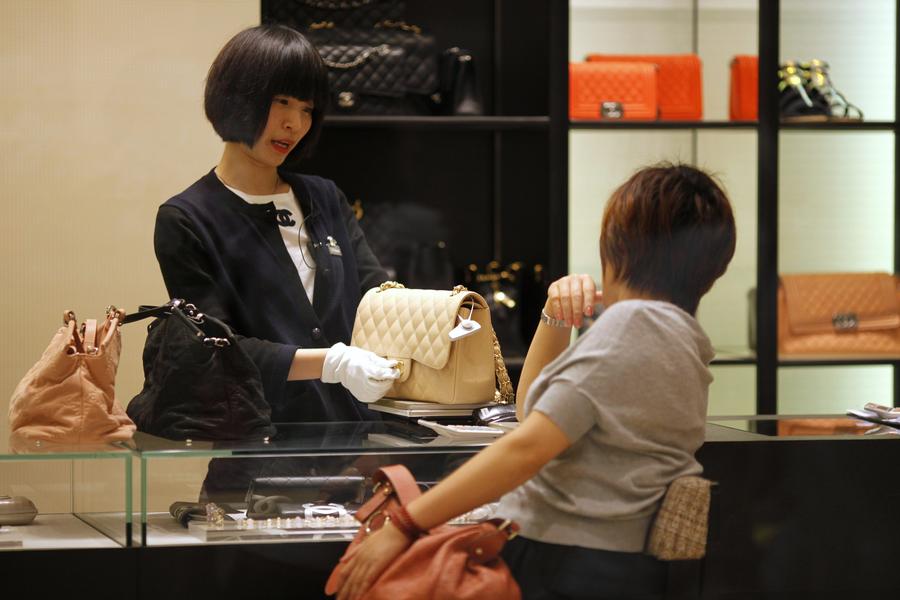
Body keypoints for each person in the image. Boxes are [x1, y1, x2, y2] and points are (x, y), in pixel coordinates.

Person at [332, 163, 737, 600]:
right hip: (616, 564)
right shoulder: (682, 338)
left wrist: (406, 524)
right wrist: (555, 317)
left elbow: (526, 448)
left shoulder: (631, 326)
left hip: (569, 564)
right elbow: (533, 414)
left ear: (618, 245)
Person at [154, 25, 399, 424]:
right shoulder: (187, 219)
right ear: (235, 98)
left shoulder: (324, 197)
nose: (295, 124)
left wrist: (448, 313)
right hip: (257, 443)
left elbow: (378, 296)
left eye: (307, 109)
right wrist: (330, 363)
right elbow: (216, 349)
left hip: (353, 438)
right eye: (281, 101)